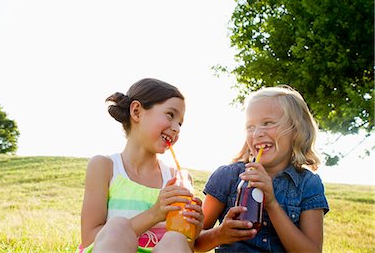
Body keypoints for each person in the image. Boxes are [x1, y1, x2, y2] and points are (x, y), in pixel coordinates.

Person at [194, 85, 329, 252]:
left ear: (296, 130)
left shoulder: (308, 184)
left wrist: (271, 204)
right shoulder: (228, 176)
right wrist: (220, 234)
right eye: (250, 127)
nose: (257, 133)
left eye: (268, 123)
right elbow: (193, 242)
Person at [77, 78, 204, 253]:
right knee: (118, 226)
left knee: (175, 240)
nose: (176, 128)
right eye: (170, 115)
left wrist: (191, 232)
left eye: (180, 123)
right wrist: (154, 214)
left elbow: (183, 247)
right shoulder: (104, 167)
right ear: (137, 111)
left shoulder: (178, 179)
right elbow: (89, 238)